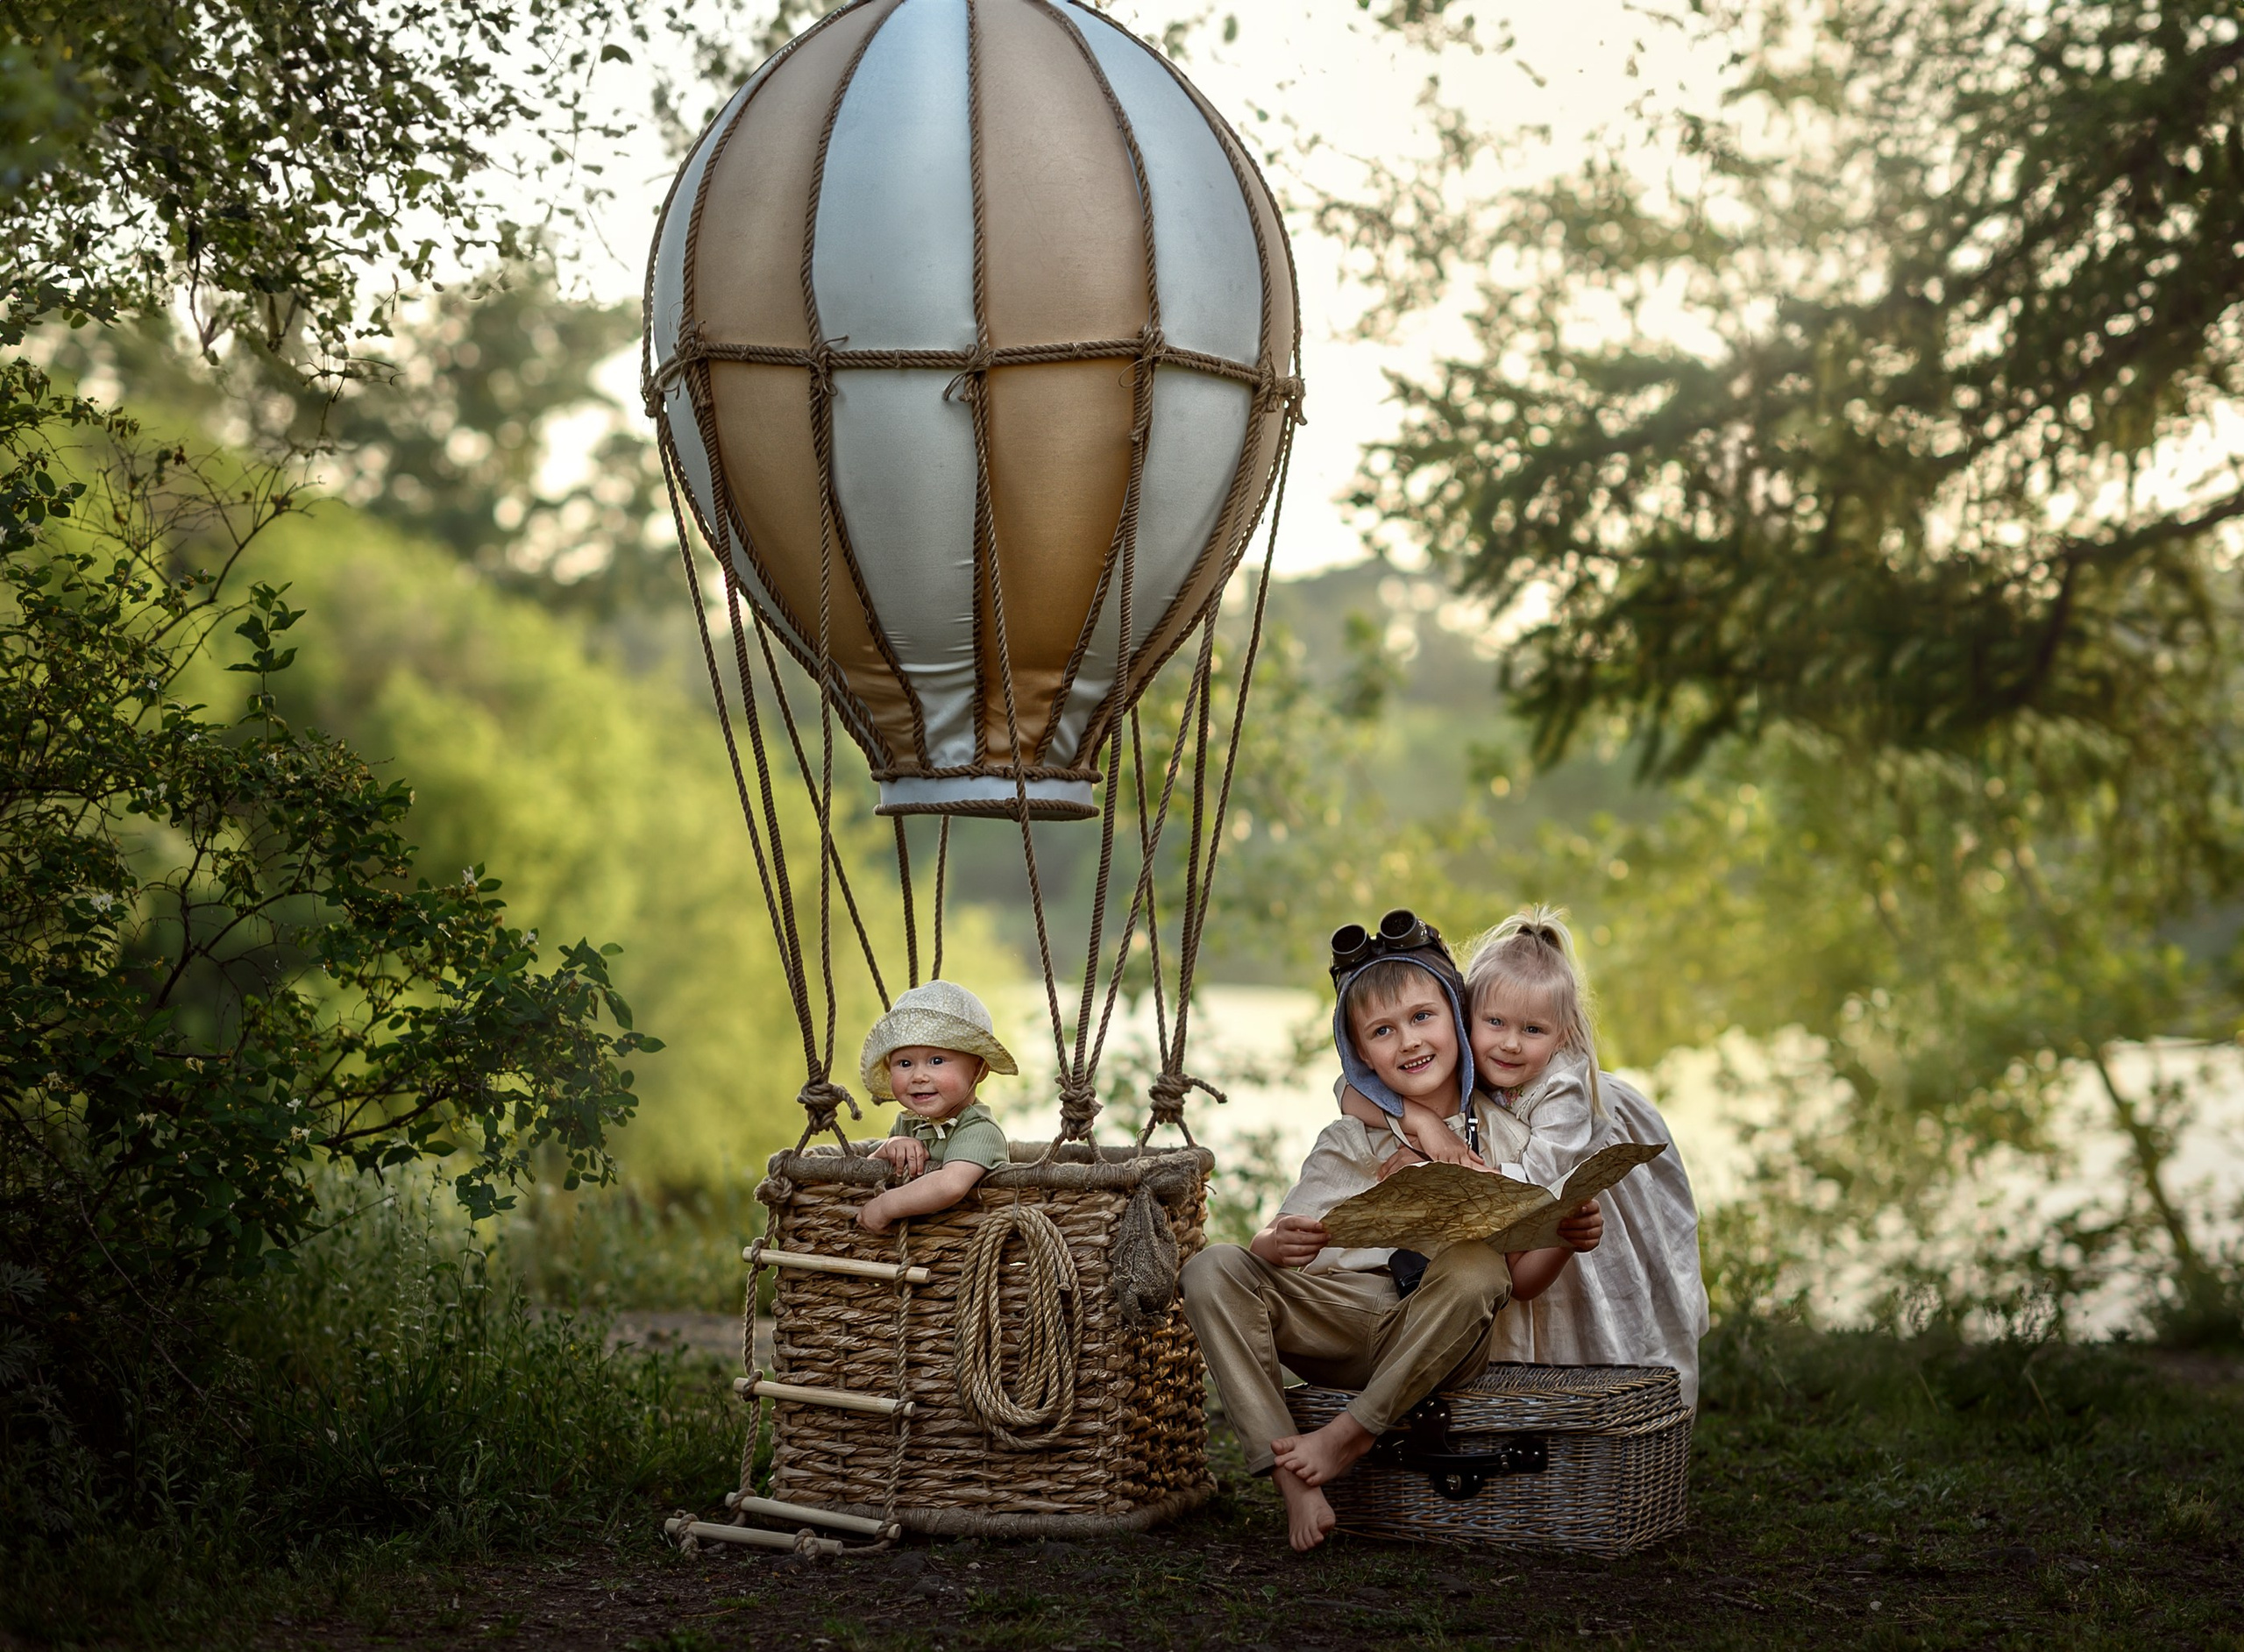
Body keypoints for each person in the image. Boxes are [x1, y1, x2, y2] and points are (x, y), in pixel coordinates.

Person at [1180, 917, 1602, 1552]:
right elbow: (1281, 1232)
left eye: (1422, 1017)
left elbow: (1516, 1282)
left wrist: (1566, 1235)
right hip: (1341, 1321)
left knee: (1475, 1265)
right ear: (1360, 1055)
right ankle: (1294, 1483)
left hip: (1435, 1333)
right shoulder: (1350, 1133)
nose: (1408, 1041)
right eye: (1382, 1031)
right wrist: (1272, 1245)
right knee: (1210, 1267)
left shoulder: (1505, 1138)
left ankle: (1351, 1432)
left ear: (1457, 1022)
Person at [1459, 908, 1710, 1406]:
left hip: (1562, 1202)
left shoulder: (1566, 1088)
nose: (1510, 1043)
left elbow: (1537, 1186)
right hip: (1521, 1217)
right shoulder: (1462, 1061)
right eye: (1495, 1022)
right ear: (1468, 1016)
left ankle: (1607, 1410)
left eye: (1533, 1030)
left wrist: (1468, 1173)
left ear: (1563, 1035)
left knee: (1588, 1318)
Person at [854, 980, 1016, 1234]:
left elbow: (950, 1185)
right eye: (904, 1064)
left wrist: (886, 1206)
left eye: (936, 1060)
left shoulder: (979, 1129)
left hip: (963, 1246)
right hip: (913, 1251)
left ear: (978, 1070)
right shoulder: (908, 1122)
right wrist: (889, 1146)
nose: (918, 1076)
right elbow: (868, 1171)